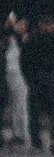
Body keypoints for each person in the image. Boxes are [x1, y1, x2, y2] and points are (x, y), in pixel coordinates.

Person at [25, 11, 54, 155]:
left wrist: (28, 77)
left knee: (35, 112)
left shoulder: (33, 39)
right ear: (52, 25)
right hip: (52, 77)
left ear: (42, 25)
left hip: (36, 77)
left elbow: (26, 59)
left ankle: (36, 143)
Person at [3, 15, 26, 149]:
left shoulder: (23, 40)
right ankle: (16, 133)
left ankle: (20, 134)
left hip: (19, 76)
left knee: (20, 106)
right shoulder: (11, 38)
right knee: (13, 106)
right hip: (9, 74)